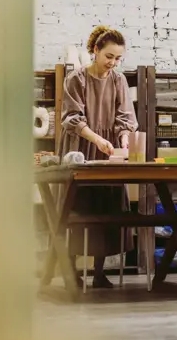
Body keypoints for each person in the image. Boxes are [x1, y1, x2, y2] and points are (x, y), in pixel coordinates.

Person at [59, 25, 138, 288]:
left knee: (108, 205)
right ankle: (71, 270)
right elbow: (72, 118)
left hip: (108, 153)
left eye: (118, 58)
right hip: (81, 149)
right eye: (109, 57)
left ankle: (99, 272)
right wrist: (96, 139)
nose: (113, 63)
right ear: (95, 51)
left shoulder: (119, 81)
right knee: (77, 207)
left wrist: (124, 141)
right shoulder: (76, 80)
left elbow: (125, 118)